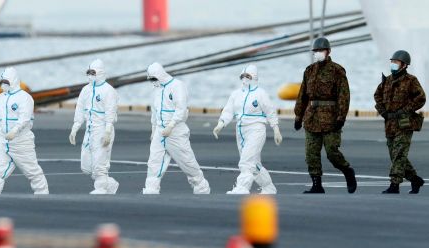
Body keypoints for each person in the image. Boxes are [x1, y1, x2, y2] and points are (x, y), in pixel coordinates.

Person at [294, 37, 357, 194]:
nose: (317, 53)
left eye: (320, 51)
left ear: (328, 51)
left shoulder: (337, 71)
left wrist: (341, 117)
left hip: (331, 118)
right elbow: (302, 95)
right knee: (311, 154)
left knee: (332, 152)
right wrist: (298, 116)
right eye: (315, 51)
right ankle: (317, 184)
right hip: (312, 117)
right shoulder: (309, 71)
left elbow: (344, 95)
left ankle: (348, 171)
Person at [213, 64, 283, 194]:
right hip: (240, 130)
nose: (245, 78)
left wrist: (276, 129)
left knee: (246, 161)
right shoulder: (236, 94)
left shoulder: (260, 94)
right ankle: (268, 187)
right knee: (254, 164)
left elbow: (270, 111)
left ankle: (242, 187)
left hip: (256, 129)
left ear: (254, 77)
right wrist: (221, 123)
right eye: (243, 76)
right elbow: (228, 111)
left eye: (248, 76)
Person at [143, 63, 210, 194]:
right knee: (154, 161)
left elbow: (181, 108)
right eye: (150, 79)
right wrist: (153, 129)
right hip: (160, 130)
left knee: (186, 161)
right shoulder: (156, 89)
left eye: (154, 78)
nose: (153, 82)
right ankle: (151, 188)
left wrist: (171, 125)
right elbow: (154, 111)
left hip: (175, 130)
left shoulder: (177, 86)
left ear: (160, 75)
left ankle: (201, 187)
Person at [0, 67, 49, 195]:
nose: (3, 85)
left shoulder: (25, 97)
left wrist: (15, 130)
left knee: (32, 170)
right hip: (3, 140)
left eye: (6, 82)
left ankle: (42, 192)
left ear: (14, 81)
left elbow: (25, 118)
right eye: (2, 83)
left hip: (21, 141)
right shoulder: (0, 98)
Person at [374, 50, 426, 194]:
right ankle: (415, 180)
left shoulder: (411, 81)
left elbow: (421, 98)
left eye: (396, 62)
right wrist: (383, 111)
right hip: (390, 123)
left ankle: (394, 184)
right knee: (395, 154)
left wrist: (405, 110)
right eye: (392, 62)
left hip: (404, 122)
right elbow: (377, 95)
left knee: (399, 154)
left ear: (404, 65)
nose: (393, 64)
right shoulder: (387, 80)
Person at [69, 59, 119, 194]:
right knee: (86, 166)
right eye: (88, 72)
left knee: (99, 163)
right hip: (89, 131)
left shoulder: (109, 91)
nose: (90, 75)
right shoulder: (86, 90)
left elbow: (110, 112)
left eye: (93, 72)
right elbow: (80, 108)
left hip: (102, 129)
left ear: (100, 73)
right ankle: (110, 184)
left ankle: (101, 188)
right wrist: (75, 127)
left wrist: (108, 131)